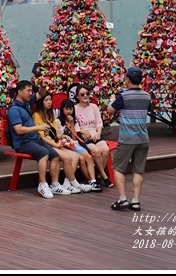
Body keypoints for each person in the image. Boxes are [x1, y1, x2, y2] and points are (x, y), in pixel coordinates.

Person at [7, 80, 67, 198]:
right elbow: (18, 130)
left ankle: (55, 185)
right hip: (23, 143)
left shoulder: (27, 103)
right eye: (28, 91)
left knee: (55, 155)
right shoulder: (14, 109)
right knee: (43, 153)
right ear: (19, 92)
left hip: (34, 140)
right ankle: (43, 185)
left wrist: (43, 85)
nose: (31, 93)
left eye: (31, 90)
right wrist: (38, 127)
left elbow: (40, 93)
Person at [107, 66, 151, 211]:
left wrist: (112, 100)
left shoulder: (124, 96)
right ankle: (136, 200)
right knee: (138, 170)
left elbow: (110, 110)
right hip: (143, 138)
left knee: (118, 168)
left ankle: (122, 199)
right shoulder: (146, 96)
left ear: (128, 79)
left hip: (127, 139)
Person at [32, 93, 90, 194]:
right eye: (46, 100)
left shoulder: (50, 115)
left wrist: (62, 137)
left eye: (50, 100)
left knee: (76, 156)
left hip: (54, 142)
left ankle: (68, 184)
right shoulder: (37, 115)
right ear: (41, 102)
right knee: (67, 158)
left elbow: (55, 133)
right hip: (45, 143)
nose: (49, 102)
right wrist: (55, 145)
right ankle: (74, 184)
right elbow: (41, 136)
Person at [72, 83, 113, 187]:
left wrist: (98, 133)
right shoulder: (74, 108)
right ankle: (104, 176)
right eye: (82, 94)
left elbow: (99, 123)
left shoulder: (94, 107)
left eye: (87, 93)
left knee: (106, 150)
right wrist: (82, 131)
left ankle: (98, 176)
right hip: (84, 137)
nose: (85, 96)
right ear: (77, 96)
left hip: (95, 134)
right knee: (96, 152)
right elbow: (75, 126)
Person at [58, 98, 103, 192]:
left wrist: (71, 123)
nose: (69, 111)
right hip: (65, 146)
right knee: (81, 159)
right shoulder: (58, 122)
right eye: (66, 109)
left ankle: (92, 181)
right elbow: (58, 137)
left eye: (70, 109)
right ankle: (68, 182)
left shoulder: (74, 121)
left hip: (74, 145)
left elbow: (74, 138)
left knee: (88, 158)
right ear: (62, 110)